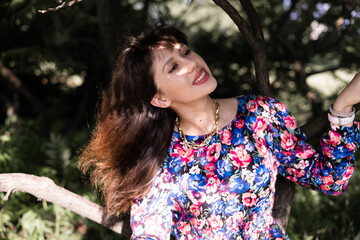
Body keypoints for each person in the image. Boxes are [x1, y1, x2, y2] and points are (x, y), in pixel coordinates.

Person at [78, 26, 360, 239]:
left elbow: (331, 179)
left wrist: (343, 105)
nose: (191, 63)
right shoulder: (158, 158)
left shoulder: (258, 115)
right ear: (160, 98)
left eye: (186, 51)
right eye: (174, 67)